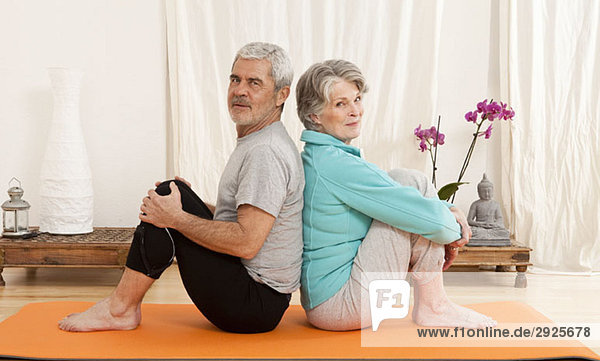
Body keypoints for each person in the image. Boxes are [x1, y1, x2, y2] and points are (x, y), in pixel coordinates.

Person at [59, 42, 304, 334]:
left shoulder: (266, 152)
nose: (240, 90)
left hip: (252, 305)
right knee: (173, 193)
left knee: (169, 200)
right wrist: (191, 205)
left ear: (281, 95)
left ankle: (119, 309)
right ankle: (121, 307)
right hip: (255, 296)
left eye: (254, 83)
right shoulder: (262, 141)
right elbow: (251, 220)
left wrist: (176, 218)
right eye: (235, 79)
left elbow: (246, 243)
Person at [295, 59, 497, 331]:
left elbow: (406, 198)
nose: (355, 111)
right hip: (341, 306)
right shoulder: (335, 165)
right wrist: (452, 225)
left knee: (408, 180)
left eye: (356, 99)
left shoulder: (322, 156)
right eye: (341, 104)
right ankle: (434, 306)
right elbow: (437, 226)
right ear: (315, 115)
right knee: (411, 201)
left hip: (329, 302)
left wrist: (443, 215)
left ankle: (434, 304)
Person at [467, 174, 510, 246]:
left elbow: (500, 219)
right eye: (483, 192)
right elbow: (469, 220)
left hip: (492, 228)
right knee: (472, 232)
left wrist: (494, 224)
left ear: (493, 191)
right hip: (479, 229)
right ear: (479, 192)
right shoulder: (475, 204)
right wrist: (479, 224)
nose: (487, 194)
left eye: (489, 191)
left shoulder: (496, 204)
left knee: (504, 232)